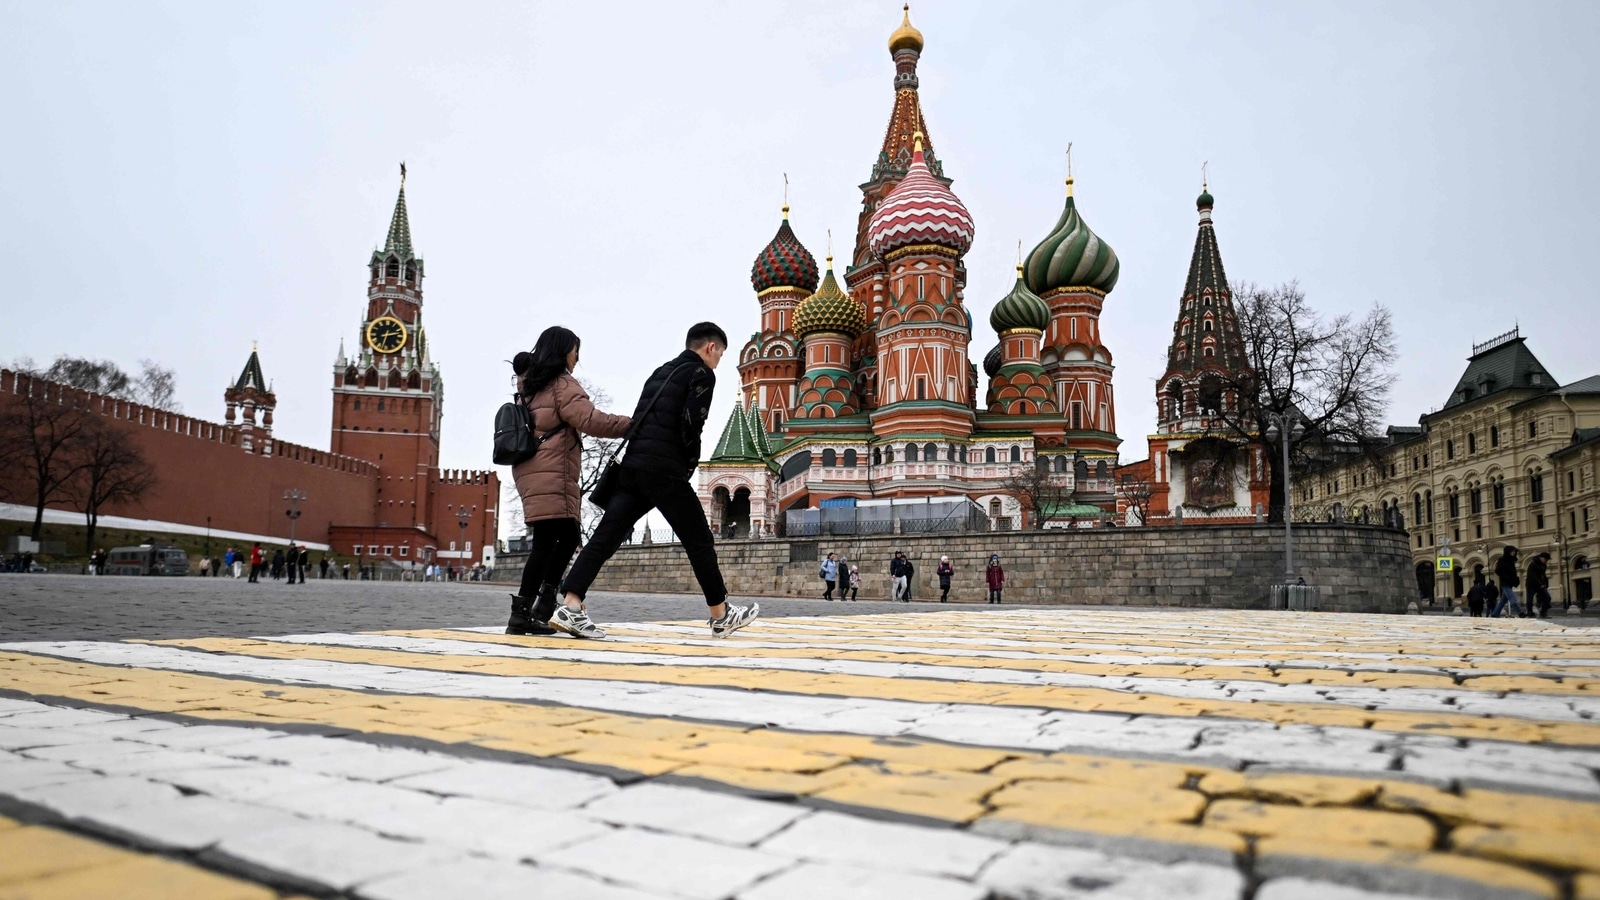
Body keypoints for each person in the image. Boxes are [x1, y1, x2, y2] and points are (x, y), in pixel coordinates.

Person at [556, 322, 757, 639]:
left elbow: (641, 418)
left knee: (606, 536)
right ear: (710, 348)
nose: (719, 360)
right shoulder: (702, 374)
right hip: (664, 469)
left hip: (634, 467)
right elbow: (693, 423)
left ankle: (571, 604)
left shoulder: (660, 372)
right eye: (720, 353)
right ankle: (720, 614)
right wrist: (688, 464)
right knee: (699, 539)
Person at [506, 326, 632, 636]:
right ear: (565, 351)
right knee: (557, 539)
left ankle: (532, 611)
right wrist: (634, 423)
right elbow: (591, 420)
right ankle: (533, 610)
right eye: (576, 350)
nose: (578, 357)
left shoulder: (529, 384)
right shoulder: (562, 384)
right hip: (551, 471)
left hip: (530, 470)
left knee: (554, 540)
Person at [1491, 547, 1522, 618]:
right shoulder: (1502, 559)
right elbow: (1498, 570)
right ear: (1508, 552)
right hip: (1505, 582)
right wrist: (1506, 577)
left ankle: (1495, 613)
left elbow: (1513, 572)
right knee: (1512, 599)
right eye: (1512, 551)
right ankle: (1520, 613)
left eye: (1515, 551)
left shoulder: (1511, 560)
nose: (1514, 553)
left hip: (1510, 582)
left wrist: (1515, 579)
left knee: (1503, 600)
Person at [1527, 552, 1552, 619]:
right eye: (1546, 559)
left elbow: (1543, 575)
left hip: (1541, 584)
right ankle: (1530, 612)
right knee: (1530, 599)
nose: (1546, 561)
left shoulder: (1544, 565)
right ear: (1541, 557)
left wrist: (1544, 584)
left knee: (1547, 597)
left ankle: (1543, 612)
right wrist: (1540, 584)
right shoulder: (1533, 564)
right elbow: (1532, 576)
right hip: (1531, 584)